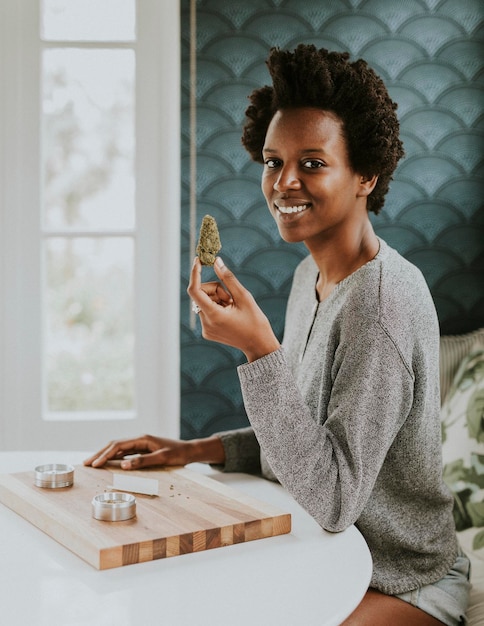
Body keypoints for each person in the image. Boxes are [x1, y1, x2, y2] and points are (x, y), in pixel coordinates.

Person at [84, 45, 470, 625]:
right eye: (272, 161)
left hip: (401, 578)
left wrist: (258, 348)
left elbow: (335, 498)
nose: (284, 182)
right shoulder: (308, 275)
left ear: (365, 174)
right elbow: (304, 437)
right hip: (327, 555)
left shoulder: (384, 302)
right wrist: (192, 451)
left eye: (312, 163)